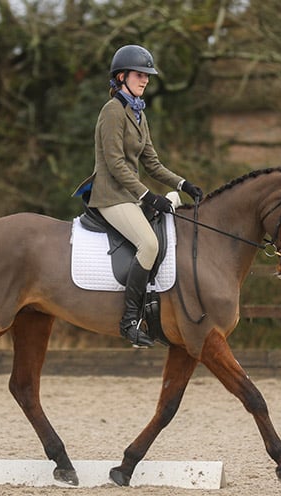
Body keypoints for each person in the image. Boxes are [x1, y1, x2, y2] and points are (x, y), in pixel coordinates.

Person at [74, 44, 203, 347]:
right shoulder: (112, 112)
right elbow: (116, 163)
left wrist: (183, 184)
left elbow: (152, 163)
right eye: (139, 74)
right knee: (148, 244)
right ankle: (130, 320)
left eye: (147, 75)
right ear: (120, 77)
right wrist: (147, 196)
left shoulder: (138, 114)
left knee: (171, 215)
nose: (145, 80)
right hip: (110, 196)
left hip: (128, 195)